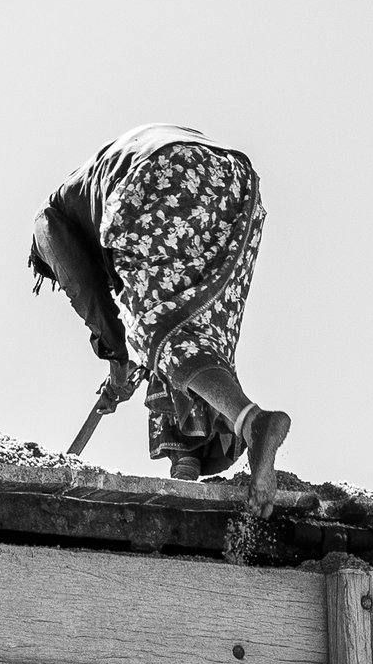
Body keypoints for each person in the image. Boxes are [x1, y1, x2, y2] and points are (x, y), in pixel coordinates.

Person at [28, 124, 291, 516]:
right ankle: (189, 462)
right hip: (234, 184)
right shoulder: (93, 196)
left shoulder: (47, 224)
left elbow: (89, 292)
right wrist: (126, 353)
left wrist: (117, 361)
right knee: (193, 326)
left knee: (157, 332)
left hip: (160, 176)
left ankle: (251, 422)